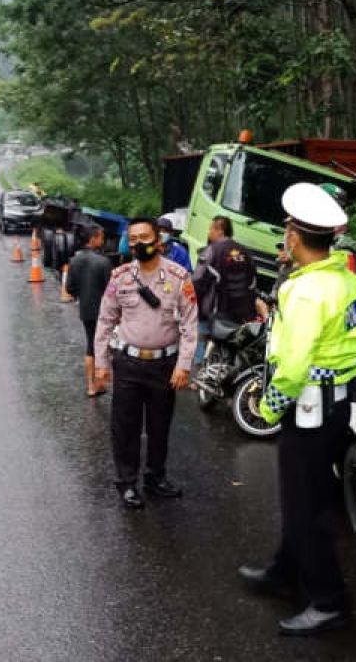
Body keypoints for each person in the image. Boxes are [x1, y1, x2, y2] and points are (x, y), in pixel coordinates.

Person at [238, 183, 356, 637]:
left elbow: (292, 365)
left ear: (293, 236)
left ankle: (330, 602)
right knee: (305, 495)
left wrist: (268, 410)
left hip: (307, 408)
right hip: (336, 405)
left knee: (305, 507)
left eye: (288, 229)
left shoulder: (306, 291)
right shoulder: (347, 277)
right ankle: (284, 570)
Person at [94, 217, 198, 510]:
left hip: (164, 366)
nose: (139, 243)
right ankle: (127, 482)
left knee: (159, 425)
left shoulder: (179, 277)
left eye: (145, 237)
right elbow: (105, 320)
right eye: (134, 238)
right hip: (127, 363)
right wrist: (101, 362)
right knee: (125, 426)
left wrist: (184, 365)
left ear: (159, 240)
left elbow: (190, 324)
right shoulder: (121, 277)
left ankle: (155, 477)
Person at [191, 215, 258, 364]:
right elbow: (253, 283)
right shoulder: (245, 253)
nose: (209, 232)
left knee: (201, 339)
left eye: (210, 229)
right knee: (229, 352)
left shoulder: (212, 251)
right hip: (240, 314)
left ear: (219, 230)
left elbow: (198, 280)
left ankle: (198, 375)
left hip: (214, 312)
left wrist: (191, 304)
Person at [66, 224, 112, 397]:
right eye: (100, 237)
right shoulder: (103, 262)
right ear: (92, 239)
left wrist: (82, 294)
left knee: (90, 345)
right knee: (103, 345)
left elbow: (70, 288)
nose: (103, 240)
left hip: (86, 309)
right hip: (105, 311)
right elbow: (111, 290)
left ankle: (92, 386)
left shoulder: (74, 260)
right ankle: (99, 384)